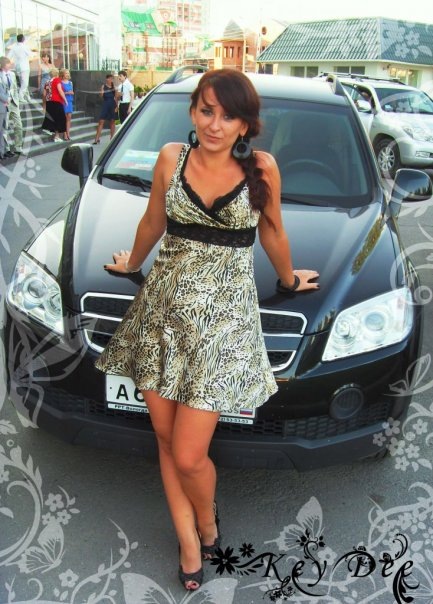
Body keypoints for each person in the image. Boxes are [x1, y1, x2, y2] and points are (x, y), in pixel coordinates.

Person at [95, 69, 319, 592]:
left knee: (189, 453)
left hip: (222, 327)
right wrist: (132, 262)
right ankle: (190, 542)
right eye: (207, 111)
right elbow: (153, 221)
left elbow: (273, 233)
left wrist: (289, 279)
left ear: (246, 124)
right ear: (193, 111)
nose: (215, 124)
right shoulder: (170, 158)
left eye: (229, 116)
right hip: (162, 317)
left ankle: (208, 520)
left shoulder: (262, 168)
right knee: (165, 439)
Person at [2, 58, 24, 155]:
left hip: (14, 103)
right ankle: (6, 149)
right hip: (3, 104)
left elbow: (14, 88)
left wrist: (16, 100)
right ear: (3, 65)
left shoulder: (12, 74)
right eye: (8, 64)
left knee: (18, 125)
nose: (10, 65)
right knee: (4, 127)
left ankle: (18, 147)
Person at [41, 67, 67, 142]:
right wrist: (65, 100)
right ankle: (55, 135)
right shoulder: (57, 80)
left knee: (53, 118)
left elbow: (44, 94)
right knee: (60, 119)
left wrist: (44, 104)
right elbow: (60, 90)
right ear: (57, 73)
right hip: (57, 102)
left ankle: (55, 135)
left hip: (49, 102)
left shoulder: (47, 82)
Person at [93, 74, 117, 144]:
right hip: (106, 104)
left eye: (112, 78)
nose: (110, 80)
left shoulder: (114, 87)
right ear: (106, 79)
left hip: (112, 104)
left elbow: (116, 98)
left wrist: (116, 107)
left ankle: (112, 138)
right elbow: (101, 96)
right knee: (101, 121)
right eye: (109, 78)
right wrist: (101, 92)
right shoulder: (103, 86)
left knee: (112, 121)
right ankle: (97, 139)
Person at [7, 34, 31, 103]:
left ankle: (26, 96)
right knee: (25, 83)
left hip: (17, 67)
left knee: (22, 82)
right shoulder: (25, 46)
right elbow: (30, 54)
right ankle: (21, 96)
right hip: (25, 67)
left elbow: (8, 56)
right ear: (23, 39)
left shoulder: (14, 47)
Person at [0, 57, 12, 160]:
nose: (10, 65)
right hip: (2, 106)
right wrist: (6, 99)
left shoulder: (8, 74)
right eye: (8, 63)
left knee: (2, 130)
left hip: (4, 107)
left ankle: (2, 152)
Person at [60, 68, 74, 140]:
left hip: (70, 101)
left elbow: (72, 91)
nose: (67, 74)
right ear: (63, 74)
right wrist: (67, 93)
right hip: (63, 101)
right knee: (64, 118)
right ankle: (65, 134)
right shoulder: (60, 83)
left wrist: (71, 93)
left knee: (69, 117)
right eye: (66, 73)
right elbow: (60, 93)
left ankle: (68, 133)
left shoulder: (70, 83)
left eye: (68, 73)